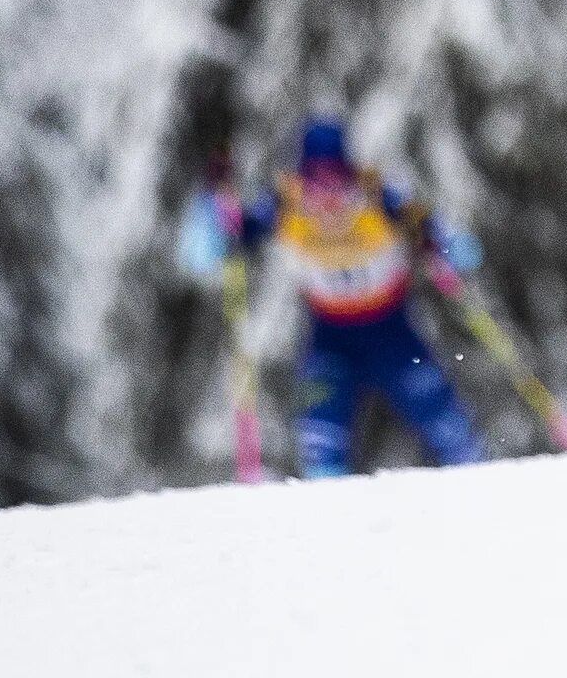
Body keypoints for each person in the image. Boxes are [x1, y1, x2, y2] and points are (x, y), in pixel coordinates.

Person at [176, 119, 486, 477]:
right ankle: (328, 516)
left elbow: (453, 242)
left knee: (445, 423)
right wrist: (214, 215)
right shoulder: (284, 205)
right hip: (331, 338)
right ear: (301, 180)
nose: (326, 197)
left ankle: (480, 486)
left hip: (392, 333)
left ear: (348, 174)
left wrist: (440, 245)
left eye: (335, 181)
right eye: (315, 183)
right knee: (320, 442)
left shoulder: (377, 198)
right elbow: (204, 252)